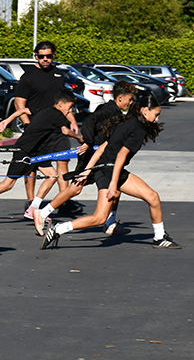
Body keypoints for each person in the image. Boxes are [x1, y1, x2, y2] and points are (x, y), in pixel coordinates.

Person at [41, 93, 180, 250]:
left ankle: (159, 237)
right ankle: (57, 229)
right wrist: (113, 184)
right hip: (110, 172)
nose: (156, 119)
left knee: (153, 197)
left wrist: (87, 171)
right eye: (156, 115)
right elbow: (121, 155)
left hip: (109, 170)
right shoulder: (137, 129)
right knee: (99, 218)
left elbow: (102, 147)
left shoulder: (127, 122)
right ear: (144, 110)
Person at [0, 89, 86, 227]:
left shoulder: (45, 110)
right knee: (8, 184)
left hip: (37, 152)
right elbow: (65, 131)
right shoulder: (57, 115)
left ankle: (33, 208)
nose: (69, 112)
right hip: (25, 150)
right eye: (69, 107)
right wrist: (79, 138)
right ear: (61, 104)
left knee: (52, 176)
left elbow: (23, 111)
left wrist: (6, 121)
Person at [32, 80, 136, 236]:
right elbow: (89, 122)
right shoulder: (109, 111)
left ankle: (110, 222)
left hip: (101, 157)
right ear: (120, 98)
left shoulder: (111, 109)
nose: (131, 102)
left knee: (113, 186)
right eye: (130, 99)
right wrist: (87, 141)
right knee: (76, 188)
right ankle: (42, 213)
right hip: (92, 157)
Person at [13, 42, 81, 218]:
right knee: (32, 166)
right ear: (35, 56)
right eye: (41, 56)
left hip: (57, 128)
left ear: (53, 56)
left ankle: (63, 200)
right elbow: (19, 104)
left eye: (49, 56)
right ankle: (31, 203)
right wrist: (28, 125)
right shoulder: (28, 77)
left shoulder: (58, 75)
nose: (45, 59)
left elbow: (63, 103)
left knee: (62, 161)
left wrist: (72, 120)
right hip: (36, 128)